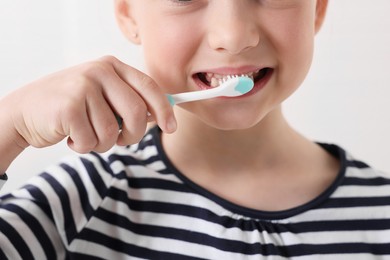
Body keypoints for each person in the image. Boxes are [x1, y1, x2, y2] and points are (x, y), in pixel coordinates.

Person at [0, 0, 389, 259]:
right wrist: (8, 125)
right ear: (129, 14)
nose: (233, 37)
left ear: (316, 10)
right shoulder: (76, 203)